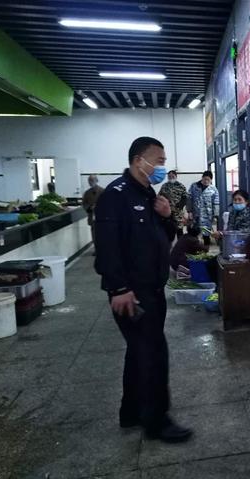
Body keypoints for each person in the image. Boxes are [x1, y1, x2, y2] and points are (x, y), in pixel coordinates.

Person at [94, 136, 192, 443]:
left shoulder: (149, 193)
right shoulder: (115, 196)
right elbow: (107, 247)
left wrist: (166, 217)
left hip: (153, 287)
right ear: (140, 161)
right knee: (153, 353)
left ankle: (131, 411)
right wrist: (119, 288)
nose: (163, 167)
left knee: (139, 351)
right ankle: (156, 422)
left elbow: (164, 236)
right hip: (132, 292)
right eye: (159, 161)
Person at [188, 170, 220, 246]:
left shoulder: (213, 189)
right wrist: (189, 211)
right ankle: (194, 248)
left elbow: (216, 203)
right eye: (204, 179)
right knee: (194, 232)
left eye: (208, 179)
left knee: (206, 233)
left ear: (211, 180)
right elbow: (189, 198)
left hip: (207, 215)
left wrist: (216, 215)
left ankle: (206, 250)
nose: (206, 181)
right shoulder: (194, 186)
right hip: (196, 214)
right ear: (202, 178)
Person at [159, 170, 188, 239]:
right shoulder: (164, 186)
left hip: (178, 211)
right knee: (168, 229)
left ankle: (180, 246)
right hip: (167, 212)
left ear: (176, 176)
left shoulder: (181, 186)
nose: (171, 177)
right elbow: (160, 196)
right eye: (169, 176)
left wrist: (180, 205)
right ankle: (168, 246)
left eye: (173, 176)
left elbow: (185, 198)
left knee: (179, 229)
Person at [82, 174, 104, 252]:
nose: (90, 182)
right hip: (92, 216)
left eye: (92, 180)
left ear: (96, 181)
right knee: (94, 233)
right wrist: (89, 207)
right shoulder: (87, 193)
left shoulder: (103, 191)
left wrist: (98, 207)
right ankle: (96, 249)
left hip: (101, 216)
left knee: (102, 233)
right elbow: (84, 203)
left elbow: (107, 203)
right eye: (89, 181)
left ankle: (103, 248)